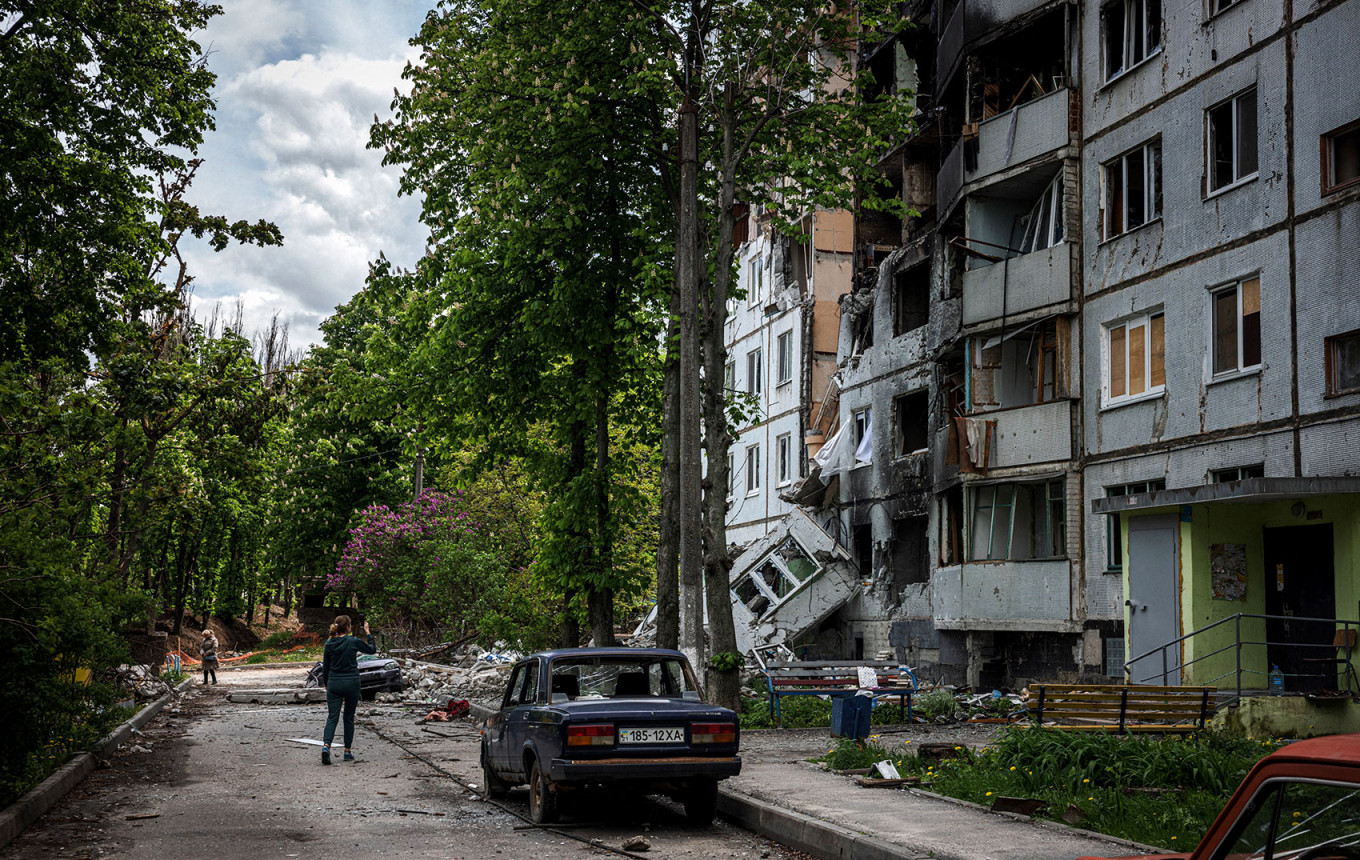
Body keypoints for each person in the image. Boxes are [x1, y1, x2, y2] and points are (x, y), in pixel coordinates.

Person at [320, 614, 376, 765]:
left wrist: (326, 683)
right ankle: (347, 751)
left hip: (334, 682)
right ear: (348, 627)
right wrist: (368, 632)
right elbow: (372, 650)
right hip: (352, 683)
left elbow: (325, 665)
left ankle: (326, 747)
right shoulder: (353, 641)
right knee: (348, 718)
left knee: (332, 717)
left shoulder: (329, 643)